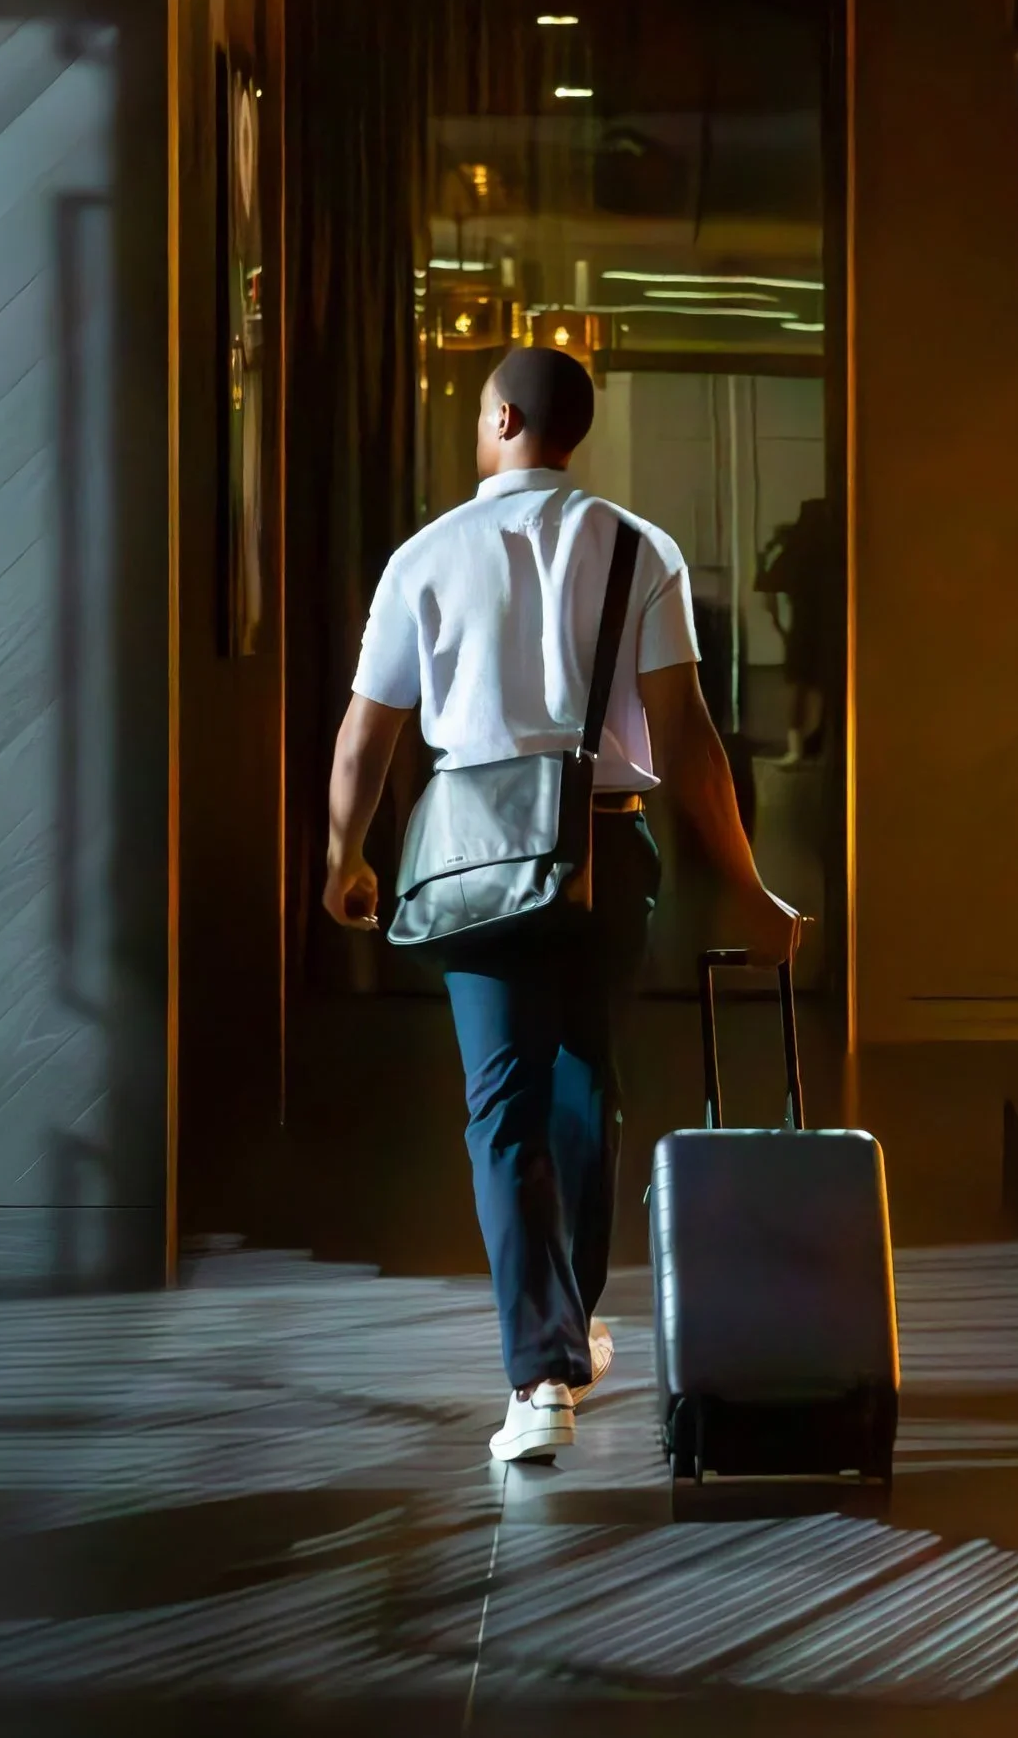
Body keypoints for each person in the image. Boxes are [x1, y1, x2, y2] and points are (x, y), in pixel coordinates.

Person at [321, 347, 800, 1464]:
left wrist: (343, 856)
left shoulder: (424, 556)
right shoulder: (640, 549)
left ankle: (540, 1375)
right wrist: (750, 885)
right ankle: (565, 1330)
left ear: (500, 417)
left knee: (503, 1106)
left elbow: (366, 737)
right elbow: (685, 739)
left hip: (475, 853)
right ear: (576, 430)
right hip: (605, 848)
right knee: (589, 1094)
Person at [755, 494, 839, 766]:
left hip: (803, 625)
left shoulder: (793, 548)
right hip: (828, 624)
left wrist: (780, 626)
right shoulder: (832, 549)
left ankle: (798, 747)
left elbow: (769, 592)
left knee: (799, 687)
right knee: (824, 686)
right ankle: (821, 743)